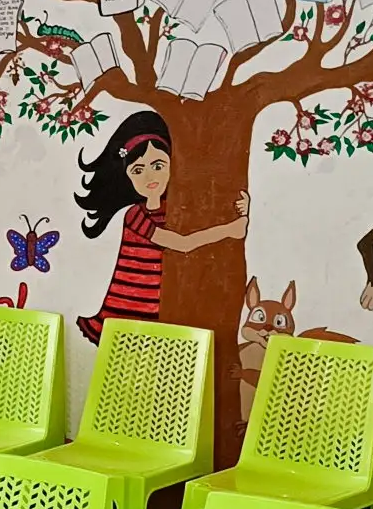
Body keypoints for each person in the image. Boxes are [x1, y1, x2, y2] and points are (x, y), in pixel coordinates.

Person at [71, 109, 249, 343]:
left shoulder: (174, 209)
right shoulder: (135, 216)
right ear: (127, 177)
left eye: (158, 166)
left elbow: (202, 221)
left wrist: (240, 210)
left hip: (159, 305)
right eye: (138, 170)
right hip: (131, 306)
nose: (149, 178)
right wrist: (230, 230)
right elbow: (183, 244)